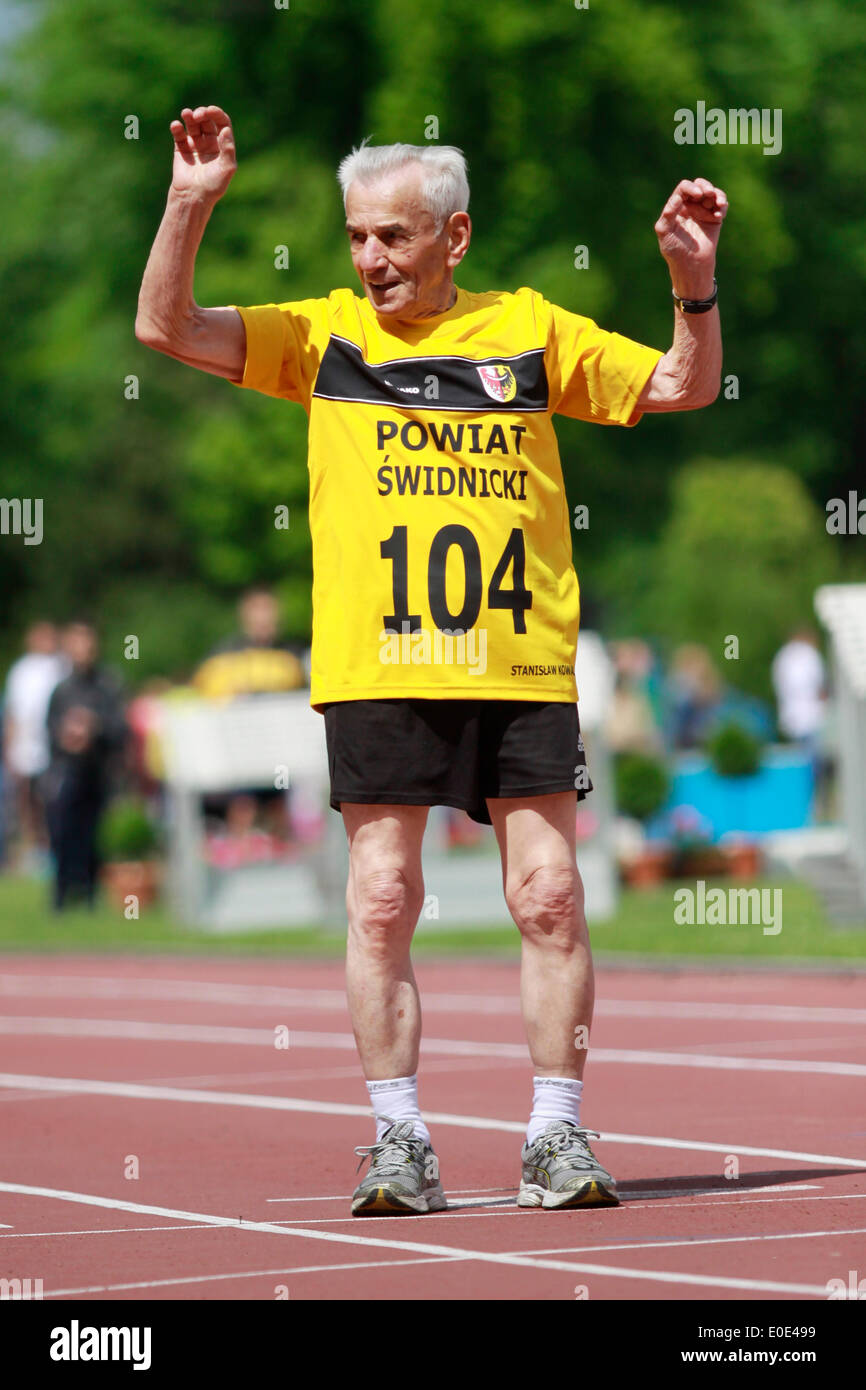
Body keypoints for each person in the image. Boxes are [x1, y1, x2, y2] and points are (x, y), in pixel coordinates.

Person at [136, 105, 726, 1215]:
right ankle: (397, 1139)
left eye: (393, 237)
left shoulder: (529, 329)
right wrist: (189, 200)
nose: (369, 259)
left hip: (518, 665)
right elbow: (166, 327)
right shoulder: (321, 336)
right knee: (381, 898)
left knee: (549, 894)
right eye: (356, 236)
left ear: (452, 237)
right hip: (379, 667)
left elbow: (680, 386)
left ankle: (555, 1133)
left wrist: (690, 288)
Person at [43, 622, 127, 910]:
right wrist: (67, 736)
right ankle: (62, 893)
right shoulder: (62, 690)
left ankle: (91, 893)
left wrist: (95, 729)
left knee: (94, 836)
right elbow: (49, 731)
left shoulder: (109, 685)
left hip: (98, 774)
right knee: (63, 833)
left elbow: (119, 730)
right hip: (67, 773)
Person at [2, 621, 68, 866]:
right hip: (27, 746)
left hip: (54, 747)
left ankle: (53, 846)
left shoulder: (62, 667)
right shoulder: (20, 671)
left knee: (51, 798)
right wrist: (10, 748)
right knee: (27, 800)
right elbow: (13, 713)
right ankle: (34, 850)